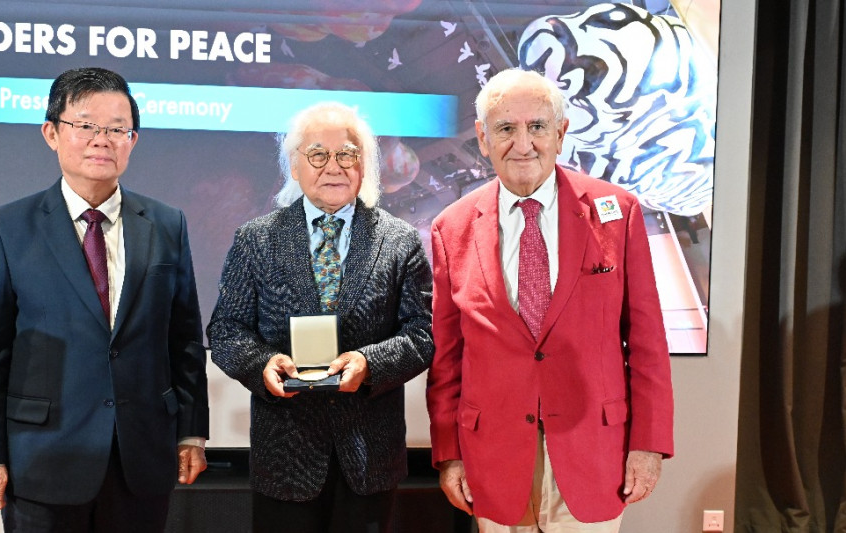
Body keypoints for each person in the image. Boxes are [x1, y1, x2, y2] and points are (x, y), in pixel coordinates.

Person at [0, 67, 209, 532]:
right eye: (86, 125)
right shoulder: (10, 226)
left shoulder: (166, 223)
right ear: (52, 133)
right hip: (42, 458)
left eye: (117, 129)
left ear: (132, 140)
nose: (102, 140)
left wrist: (192, 431)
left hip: (140, 457)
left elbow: (184, 339)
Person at [426, 68, 674, 531]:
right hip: (493, 457)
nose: (523, 144)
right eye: (506, 128)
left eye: (537, 126)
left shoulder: (617, 212)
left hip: (595, 451)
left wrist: (648, 444)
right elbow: (447, 360)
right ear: (482, 138)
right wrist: (449, 454)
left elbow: (648, 343)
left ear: (560, 133)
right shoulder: (450, 228)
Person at [207, 101, 434, 533]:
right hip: (285, 456)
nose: (334, 166)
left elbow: (421, 335)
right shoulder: (256, 239)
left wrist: (369, 364)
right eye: (318, 154)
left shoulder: (400, 241)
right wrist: (262, 364)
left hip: (369, 456)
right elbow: (226, 330)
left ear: (363, 166)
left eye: (347, 154)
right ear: (294, 166)